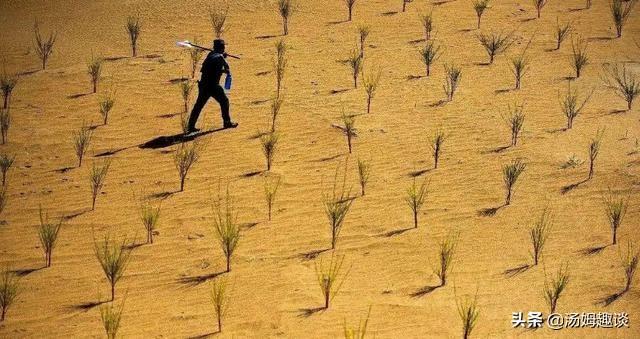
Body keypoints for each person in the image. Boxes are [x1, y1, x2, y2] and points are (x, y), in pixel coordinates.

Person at [186, 39, 238, 134]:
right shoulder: (218, 57)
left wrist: (222, 58)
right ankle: (227, 122)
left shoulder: (211, 55)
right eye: (223, 47)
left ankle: (190, 126)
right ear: (221, 48)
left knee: (198, 105)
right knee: (224, 101)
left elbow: (213, 68)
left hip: (204, 85)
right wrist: (224, 66)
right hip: (213, 86)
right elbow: (223, 67)